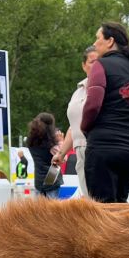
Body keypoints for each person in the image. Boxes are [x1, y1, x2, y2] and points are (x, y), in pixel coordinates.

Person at [73, 22, 129, 203]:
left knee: (102, 211)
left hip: (104, 147)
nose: (95, 42)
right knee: (120, 205)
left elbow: (92, 105)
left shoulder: (101, 65)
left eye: (98, 38)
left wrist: (85, 128)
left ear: (110, 41)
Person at [53, 46, 98, 198]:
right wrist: (61, 152)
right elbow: (73, 127)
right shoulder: (77, 92)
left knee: (101, 201)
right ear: (84, 65)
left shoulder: (106, 89)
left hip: (98, 149)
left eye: (100, 62)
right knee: (89, 199)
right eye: (92, 62)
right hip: (80, 151)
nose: (96, 66)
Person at [27, 112, 63, 198]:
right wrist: (61, 141)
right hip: (52, 176)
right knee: (52, 210)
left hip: (38, 179)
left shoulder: (31, 142)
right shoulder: (52, 144)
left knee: (39, 209)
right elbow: (62, 158)